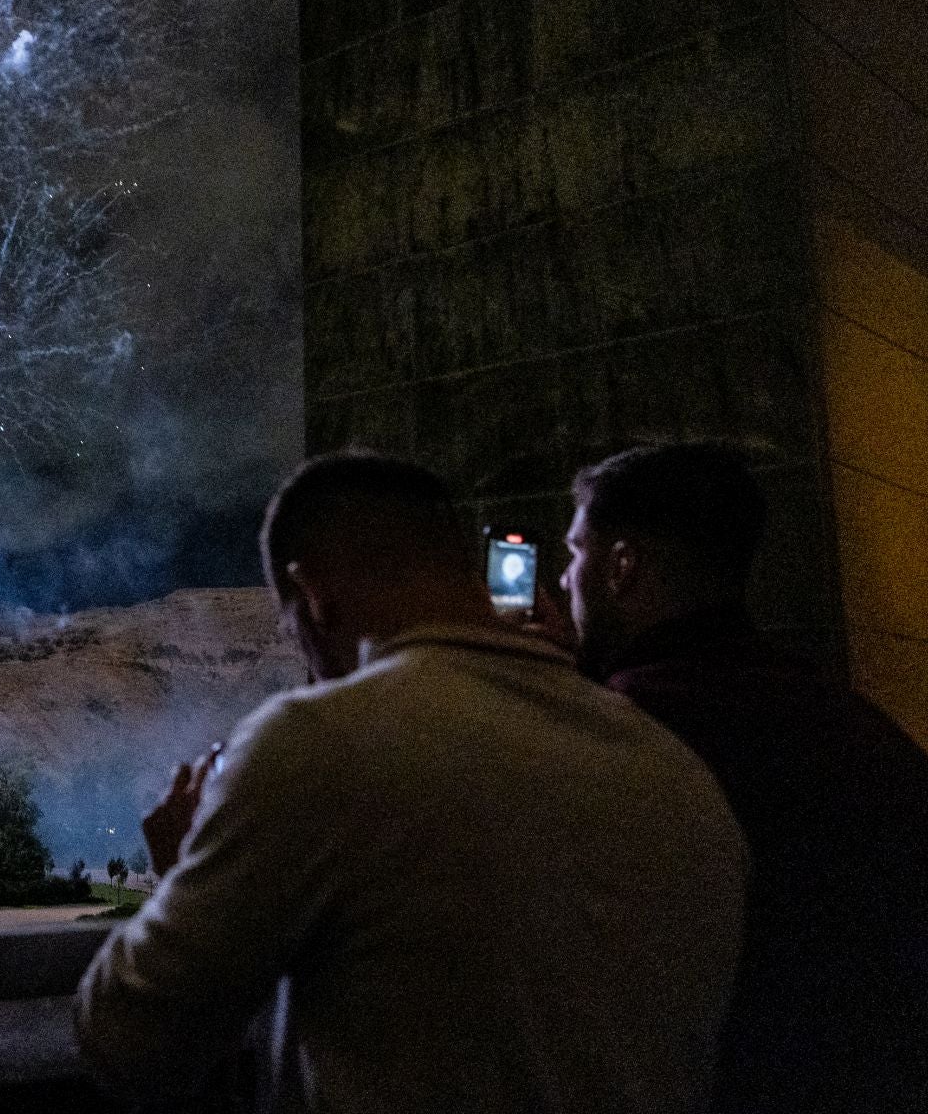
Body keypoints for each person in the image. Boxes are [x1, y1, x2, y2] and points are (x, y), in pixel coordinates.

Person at [76, 452, 748, 1113]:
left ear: (314, 596)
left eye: (293, 628)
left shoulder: (317, 744)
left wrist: (181, 875)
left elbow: (130, 1045)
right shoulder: (673, 770)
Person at [560, 443, 928, 1112]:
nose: (561, 582)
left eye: (575, 553)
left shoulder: (623, 727)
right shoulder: (848, 716)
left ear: (622, 566)